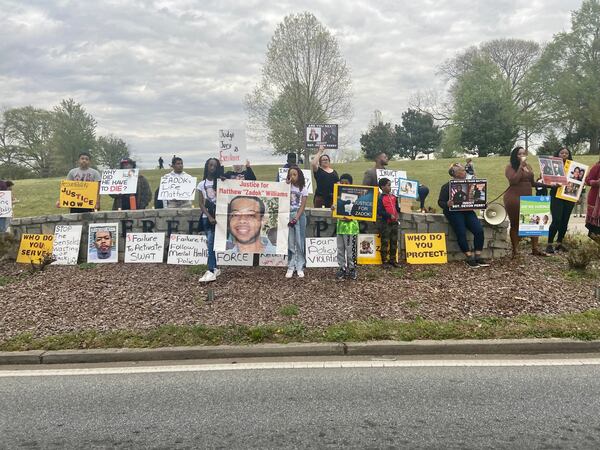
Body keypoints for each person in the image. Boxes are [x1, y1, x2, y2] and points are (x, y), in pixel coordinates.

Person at [439, 163, 488, 267]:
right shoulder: (447, 186)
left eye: (464, 170)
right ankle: (469, 257)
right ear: (454, 174)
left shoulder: (471, 184)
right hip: (453, 212)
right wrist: (447, 204)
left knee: (479, 230)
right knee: (461, 232)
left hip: (468, 211)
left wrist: (482, 203)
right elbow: (440, 202)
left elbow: (475, 197)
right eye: (462, 171)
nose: (464, 172)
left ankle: (478, 256)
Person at [504, 146, 550, 257]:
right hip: (514, 198)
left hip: (528, 198)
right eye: (519, 154)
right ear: (515, 156)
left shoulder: (528, 166)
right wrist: (521, 166)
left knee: (535, 223)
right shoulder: (510, 167)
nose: (522, 156)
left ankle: (535, 249)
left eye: (524, 154)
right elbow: (513, 181)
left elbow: (532, 183)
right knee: (515, 225)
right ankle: (515, 251)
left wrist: (550, 185)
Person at [198, 158, 223, 283]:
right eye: (210, 165)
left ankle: (211, 270)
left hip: (219, 217)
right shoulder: (201, 184)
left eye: (215, 165)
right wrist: (209, 216)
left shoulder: (221, 182)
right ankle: (213, 268)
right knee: (210, 243)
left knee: (212, 244)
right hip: (207, 218)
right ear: (207, 166)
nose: (212, 167)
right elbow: (201, 204)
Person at [546, 147, 574, 253]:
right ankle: (549, 244)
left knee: (565, 221)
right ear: (557, 154)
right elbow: (546, 180)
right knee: (556, 220)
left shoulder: (573, 167)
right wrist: (552, 184)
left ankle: (559, 243)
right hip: (556, 195)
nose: (564, 154)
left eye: (566, 153)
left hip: (569, 196)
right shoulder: (552, 166)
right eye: (562, 152)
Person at [332, 174, 359, 280]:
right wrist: (332, 208)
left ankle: (352, 269)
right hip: (340, 227)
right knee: (340, 249)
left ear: (351, 184)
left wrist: (352, 217)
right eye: (341, 182)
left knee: (351, 250)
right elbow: (333, 214)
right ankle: (342, 268)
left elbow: (362, 212)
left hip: (351, 228)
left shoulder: (357, 197)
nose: (343, 184)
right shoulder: (337, 197)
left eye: (346, 183)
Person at [285, 166, 308, 279]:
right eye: (290, 174)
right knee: (290, 241)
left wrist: (296, 219)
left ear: (299, 176)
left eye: (294, 174)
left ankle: (300, 266)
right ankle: (290, 266)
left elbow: (302, 206)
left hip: (299, 216)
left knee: (299, 241)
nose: (292, 177)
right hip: (288, 215)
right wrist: (286, 184)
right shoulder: (286, 187)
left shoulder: (302, 189)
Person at [377, 178, 400, 267]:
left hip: (394, 223)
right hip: (386, 223)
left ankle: (393, 259)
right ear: (382, 187)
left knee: (394, 241)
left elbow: (397, 208)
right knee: (385, 242)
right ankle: (384, 261)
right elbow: (379, 211)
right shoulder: (380, 198)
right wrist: (388, 215)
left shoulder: (394, 197)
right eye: (388, 185)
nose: (390, 187)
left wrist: (405, 205)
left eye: (390, 185)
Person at [584, 159, 600, 238]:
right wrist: (596, 182)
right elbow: (587, 180)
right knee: (594, 232)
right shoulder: (597, 167)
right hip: (596, 199)